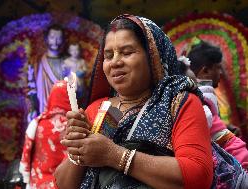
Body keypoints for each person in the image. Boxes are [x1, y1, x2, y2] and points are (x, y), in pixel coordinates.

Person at [55, 14, 214, 189]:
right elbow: (63, 185)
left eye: (127, 52)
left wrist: (114, 155)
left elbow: (198, 176)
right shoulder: (102, 109)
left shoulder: (178, 102)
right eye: (108, 55)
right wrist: (78, 147)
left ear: (153, 56)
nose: (115, 62)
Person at [186, 42, 248, 170]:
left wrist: (223, 126)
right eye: (218, 68)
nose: (221, 73)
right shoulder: (199, 100)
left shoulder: (202, 96)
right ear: (206, 70)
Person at [19, 80, 71, 189]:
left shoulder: (37, 123)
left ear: (51, 97)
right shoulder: (75, 125)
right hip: (65, 183)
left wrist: (25, 176)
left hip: (38, 182)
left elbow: (27, 151)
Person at [27, 24, 69, 119]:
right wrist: (33, 108)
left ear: (63, 40)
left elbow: (74, 89)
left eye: (59, 38)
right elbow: (31, 89)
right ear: (46, 39)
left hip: (63, 112)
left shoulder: (68, 62)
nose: (55, 41)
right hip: (43, 111)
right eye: (52, 37)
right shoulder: (36, 62)